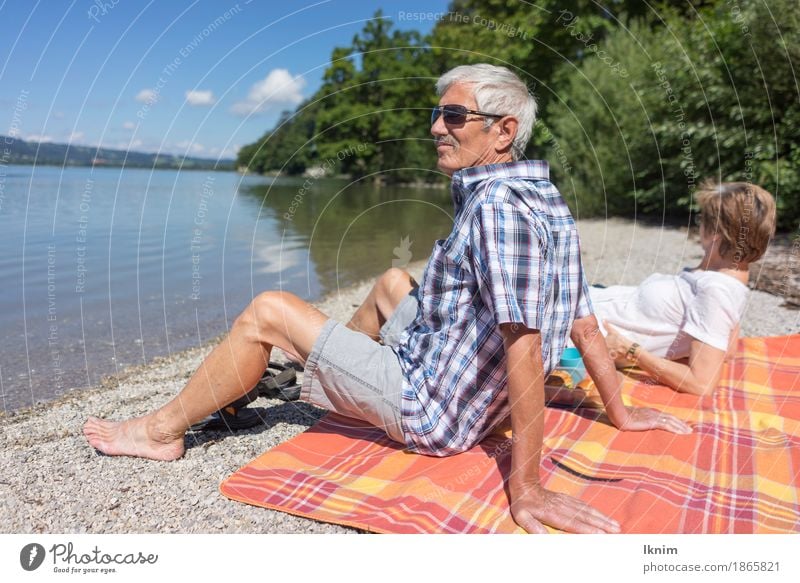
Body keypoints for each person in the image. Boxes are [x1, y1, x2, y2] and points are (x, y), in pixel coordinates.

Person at [84, 63, 691, 534]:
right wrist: (621, 411)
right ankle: (304, 376)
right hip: (457, 376)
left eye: (455, 116)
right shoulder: (541, 196)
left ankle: (161, 430)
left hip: (431, 407)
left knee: (268, 309)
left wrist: (527, 487)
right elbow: (582, 314)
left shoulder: (498, 211)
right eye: (438, 113)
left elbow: (527, 347)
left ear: (503, 130)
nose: (436, 127)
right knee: (391, 284)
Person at [591, 181, 775, 395]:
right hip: (591, 301)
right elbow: (727, 349)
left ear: (715, 232)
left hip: (581, 327)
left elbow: (701, 383)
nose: (699, 226)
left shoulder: (717, 291)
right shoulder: (720, 276)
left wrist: (630, 349)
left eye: (702, 219)